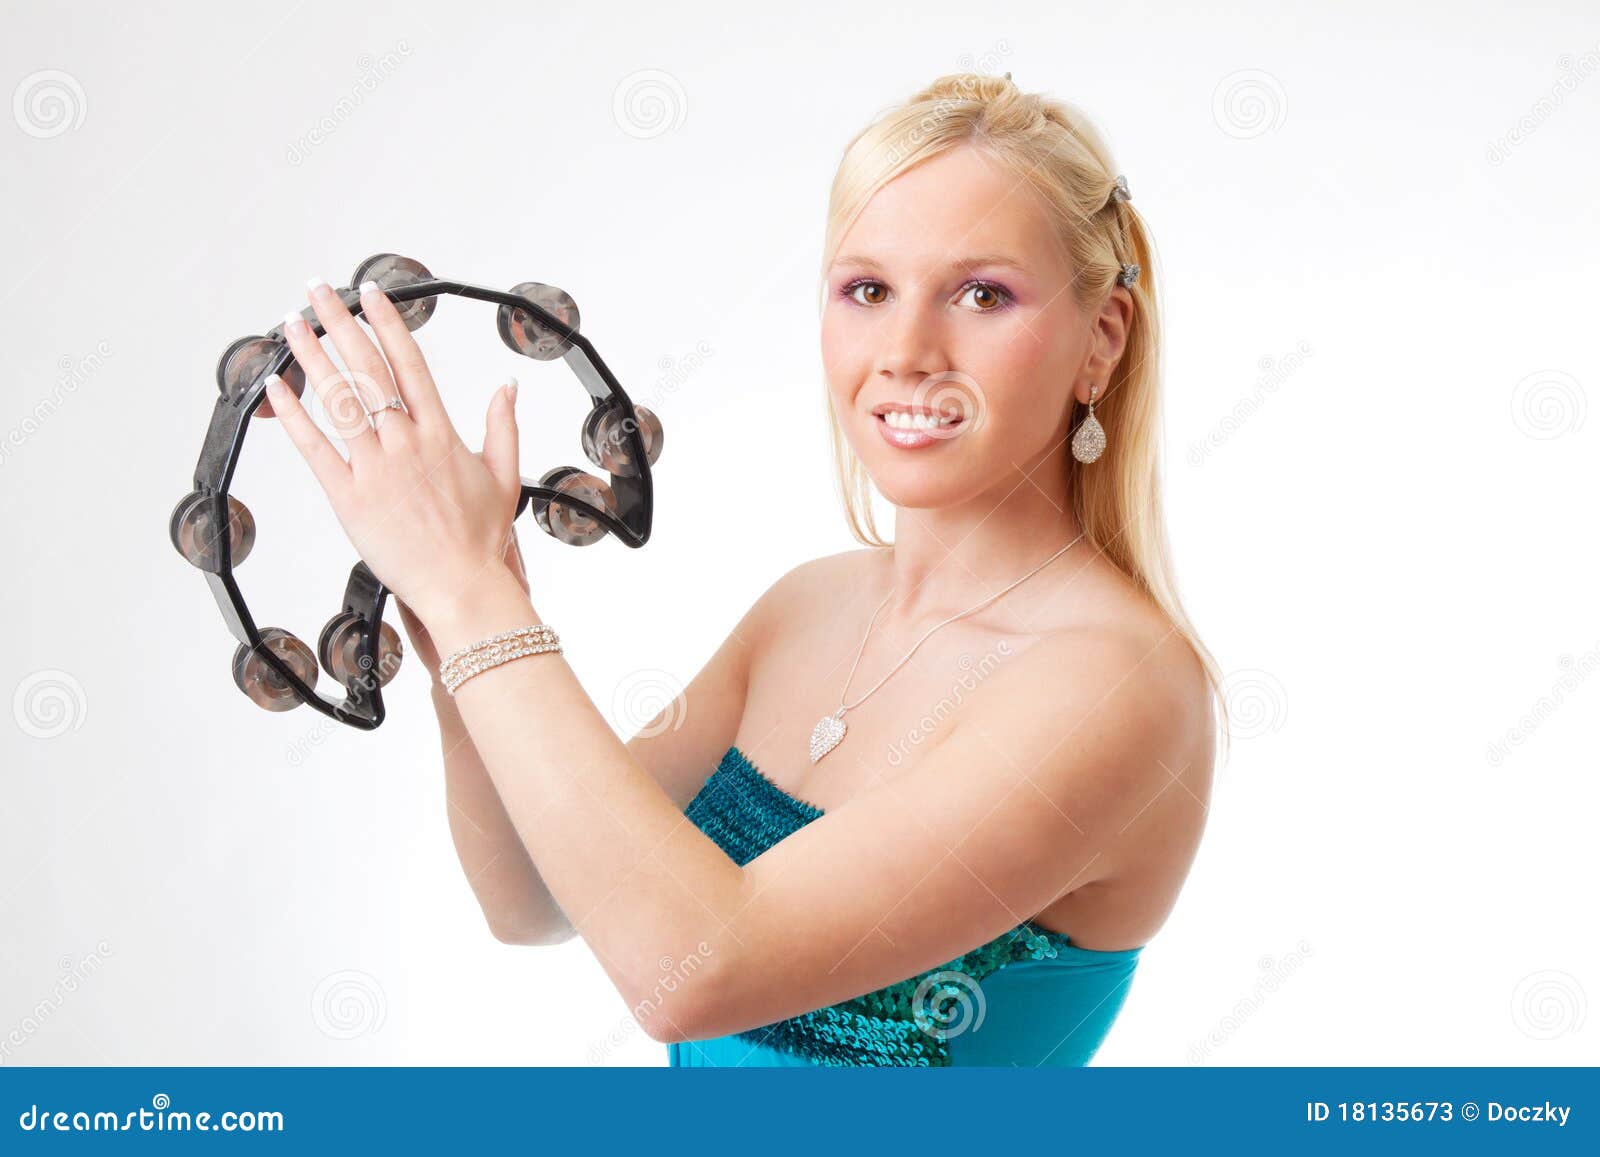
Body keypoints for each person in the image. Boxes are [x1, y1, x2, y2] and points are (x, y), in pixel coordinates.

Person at [261, 70, 1227, 1067]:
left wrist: (475, 602)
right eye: (866, 289)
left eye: (982, 293)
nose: (904, 349)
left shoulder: (1117, 686)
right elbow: (535, 896)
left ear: (1100, 342)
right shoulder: (807, 606)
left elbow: (697, 969)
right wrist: (454, 610)